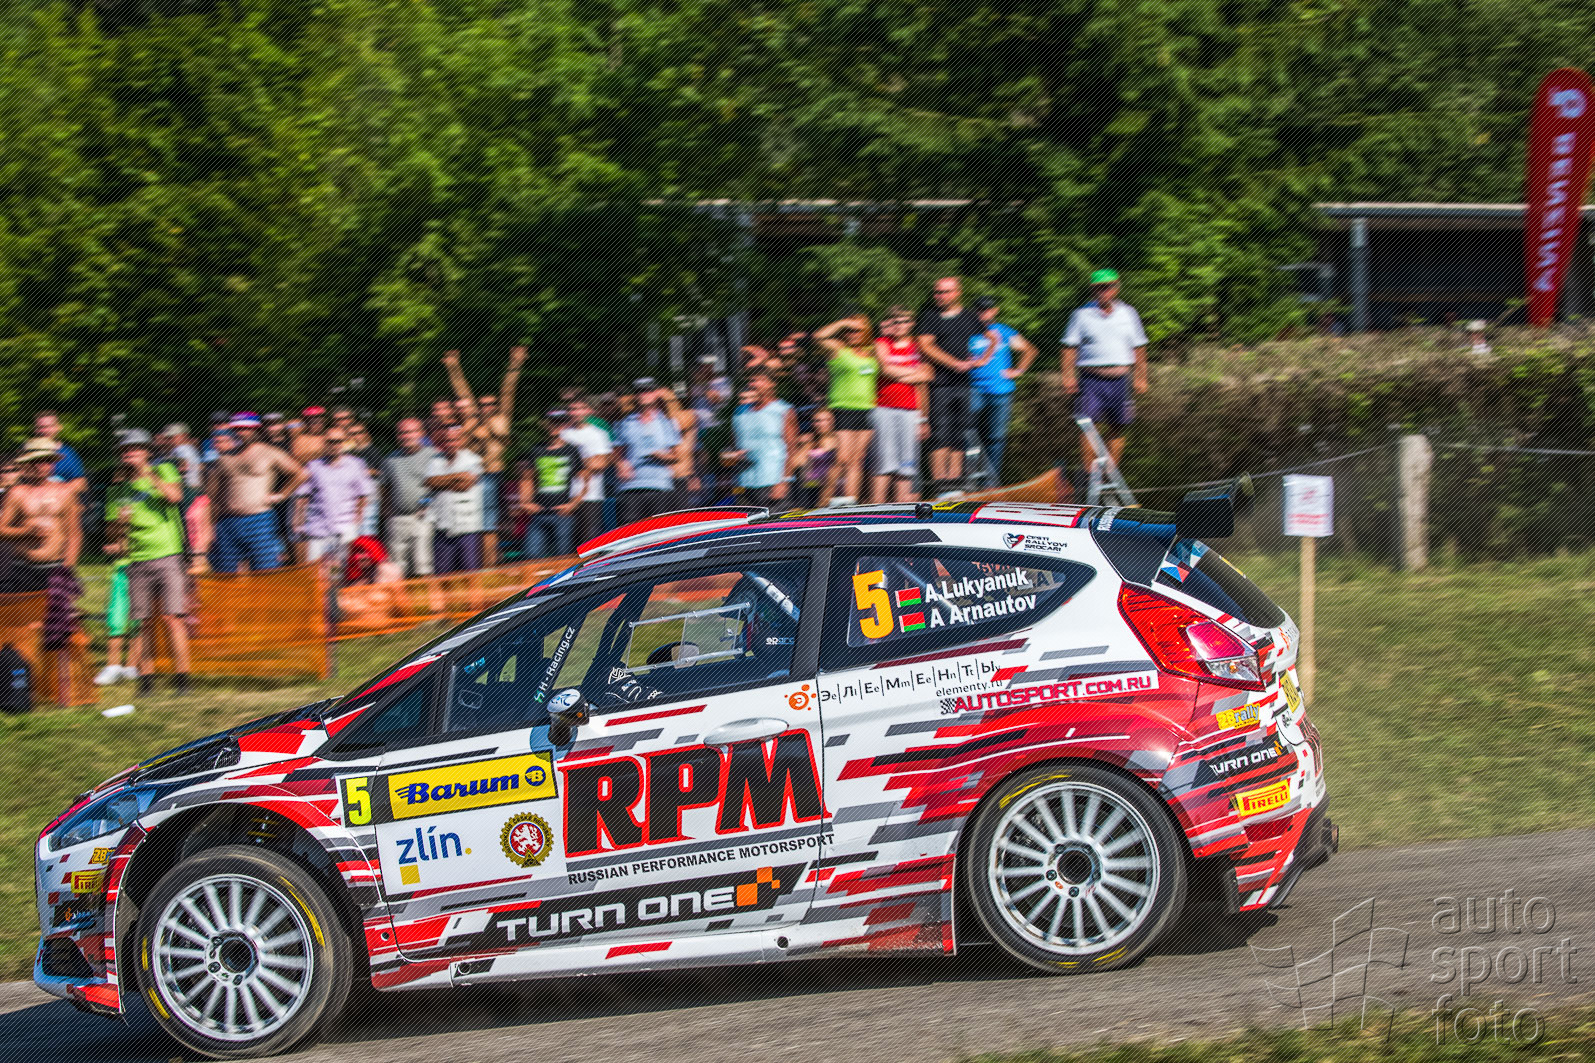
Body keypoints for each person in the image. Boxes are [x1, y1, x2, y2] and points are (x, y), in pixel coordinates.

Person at [104, 429, 192, 696]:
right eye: (125, 450)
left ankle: (182, 680)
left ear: (146, 451)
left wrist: (149, 474)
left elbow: (175, 497)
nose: (130, 453)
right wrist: (120, 522)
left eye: (135, 448)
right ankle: (146, 681)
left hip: (168, 555)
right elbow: (111, 536)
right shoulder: (116, 490)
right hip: (137, 560)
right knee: (143, 622)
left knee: (173, 618)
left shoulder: (164, 470)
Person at [0, 438, 83, 666]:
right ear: (28, 464)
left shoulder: (65, 492)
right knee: (21, 628)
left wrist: (66, 569)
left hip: (54, 569)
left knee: (58, 629)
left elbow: (75, 534)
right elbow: (1, 530)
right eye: (37, 461)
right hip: (22, 570)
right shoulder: (17, 493)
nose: (42, 465)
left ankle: (55, 679)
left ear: (53, 463)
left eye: (47, 460)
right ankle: (21, 676)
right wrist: (25, 532)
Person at [444, 345, 527, 566]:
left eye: (491, 404)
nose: (486, 407)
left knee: (490, 526)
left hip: (495, 475)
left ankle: (489, 567)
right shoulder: (473, 422)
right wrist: (453, 367)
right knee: (476, 526)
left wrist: (516, 363)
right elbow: (463, 393)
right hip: (476, 478)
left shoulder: (501, 420)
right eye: (483, 404)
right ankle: (476, 565)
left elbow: (508, 390)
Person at [915, 277, 998, 497]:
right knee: (940, 434)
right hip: (939, 384)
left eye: (946, 292)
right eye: (937, 292)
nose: (940, 296)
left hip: (963, 384)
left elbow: (993, 337)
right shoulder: (929, 316)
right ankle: (940, 486)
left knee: (959, 435)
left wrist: (983, 359)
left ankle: (954, 486)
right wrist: (954, 363)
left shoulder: (970, 316)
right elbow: (925, 346)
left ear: (957, 292)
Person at [1061, 268, 1148, 474]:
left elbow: (1139, 347)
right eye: (1099, 288)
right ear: (1093, 290)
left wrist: (1141, 377)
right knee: (1087, 426)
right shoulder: (1081, 315)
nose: (1104, 291)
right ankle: (1089, 475)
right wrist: (1067, 376)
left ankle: (1109, 474)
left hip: (1121, 381)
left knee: (1118, 426)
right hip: (1091, 380)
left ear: (1116, 288)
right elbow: (1069, 347)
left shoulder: (1129, 313)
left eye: (1108, 287)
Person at [205, 412, 306, 573]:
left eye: (245, 428)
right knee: (225, 574)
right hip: (227, 523)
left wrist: (281, 495)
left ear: (256, 429)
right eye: (237, 428)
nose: (240, 432)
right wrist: (210, 528)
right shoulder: (224, 458)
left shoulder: (268, 452)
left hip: (259, 520)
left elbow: (300, 473)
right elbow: (213, 497)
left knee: (265, 573)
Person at [967, 295, 1038, 484]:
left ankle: (991, 484)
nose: (984, 313)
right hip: (973, 388)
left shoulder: (1004, 331)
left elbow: (1030, 350)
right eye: (980, 309)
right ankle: (968, 482)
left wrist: (1018, 370)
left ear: (994, 311)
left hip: (1001, 390)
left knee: (996, 438)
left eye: (987, 309)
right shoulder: (968, 332)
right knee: (968, 435)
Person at [811, 315, 878, 505]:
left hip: (866, 409)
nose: (853, 334)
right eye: (849, 331)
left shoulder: (872, 352)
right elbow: (818, 336)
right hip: (843, 409)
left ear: (866, 331)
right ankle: (823, 502)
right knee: (842, 458)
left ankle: (850, 502)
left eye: (857, 330)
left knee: (857, 459)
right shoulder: (838, 349)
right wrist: (843, 322)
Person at [871, 305, 930, 503]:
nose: (900, 325)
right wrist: (915, 374)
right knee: (883, 464)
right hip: (884, 408)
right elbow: (885, 370)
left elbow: (926, 379)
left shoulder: (917, 345)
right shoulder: (882, 342)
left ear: (912, 323)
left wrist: (923, 419)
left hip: (911, 410)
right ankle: (876, 510)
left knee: (906, 465)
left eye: (905, 321)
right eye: (896, 322)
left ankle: (901, 509)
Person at [293, 427, 373, 572]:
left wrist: (358, 520)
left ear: (344, 442)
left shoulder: (356, 464)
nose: (335, 445)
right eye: (331, 441)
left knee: (343, 574)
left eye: (338, 441)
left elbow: (363, 494)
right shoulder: (313, 466)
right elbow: (302, 496)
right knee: (317, 575)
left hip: (345, 531)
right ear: (325, 443)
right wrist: (298, 521)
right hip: (318, 530)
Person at [613, 377, 684, 525]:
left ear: (656, 393)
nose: (644, 394)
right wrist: (620, 464)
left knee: (659, 531)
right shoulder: (625, 422)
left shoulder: (667, 422)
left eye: (648, 390)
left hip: (659, 486)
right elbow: (616, 452)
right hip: (630, 487)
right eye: (640, 391)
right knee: (630, 532)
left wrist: (661, 456)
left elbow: (677, 456)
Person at [518, 411, 583, 559]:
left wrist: (574, 504)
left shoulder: (572, 450)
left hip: (563, 514)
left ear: (565, 425)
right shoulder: (536, 449)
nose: (555, 426)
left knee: (563, 558)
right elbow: (527, 478)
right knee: (531, 556)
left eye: (560, 422)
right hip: (539, 513)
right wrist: (525, 502)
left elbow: (583, 479)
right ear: (545, 424)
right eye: (552, 422)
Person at [728, 372, 798, 508]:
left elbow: (792, 448)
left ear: (772, 384)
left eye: (759, 380)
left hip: (773, 483)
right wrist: (732, 456)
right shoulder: (739, 412)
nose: (753, 384)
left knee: (776, 522)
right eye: (751, 381)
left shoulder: (783, 410)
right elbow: (732, 446)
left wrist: (784, 481)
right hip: (744, 485)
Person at [424, 423, 486, 574]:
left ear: (461, 440)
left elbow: (466, 484)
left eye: (454, 440)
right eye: (447, 441)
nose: (451, 444)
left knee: (471, 575)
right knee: (442, 577)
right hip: (442, 528)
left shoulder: (473, 459)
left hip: (467, 529)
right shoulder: (434, 461)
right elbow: (430, 482)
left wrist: (442, 481)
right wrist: (458, 476)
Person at [380, 417, 436, 578]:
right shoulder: (390, 460)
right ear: (398, 436)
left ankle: (427, 594)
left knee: (423, 565)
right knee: (396, 569)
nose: (407, 436)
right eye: (403, 433)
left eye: (411, 432)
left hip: (422, 517)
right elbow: (384, 489)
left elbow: (439, 485)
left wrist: (430, 506)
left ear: (421, 433)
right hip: (397, 520)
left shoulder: (433, 455)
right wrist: (388, 516)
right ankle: (400, 596)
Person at [557, 398, 613, 547]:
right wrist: (587, 461)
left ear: (589, 411)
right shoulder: (562, 433)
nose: (575, 412)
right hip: (565, 496)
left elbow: (601, 463)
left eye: (580, 408)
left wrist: (575, 460)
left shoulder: (598, 434)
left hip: (590, 496)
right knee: (567, 545)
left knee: (590, 544)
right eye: (572, 409)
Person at [30, 412, 86, 496]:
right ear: (35, 429)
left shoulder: (68, 453)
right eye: (41, 427)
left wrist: (54, 489)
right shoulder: (26, 452)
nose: (45, 430)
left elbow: (81, 485)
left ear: (58, 427)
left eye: (49, 426)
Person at [795, 407, 839, 509]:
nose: (822, 424)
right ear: (812, 423)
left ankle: (822, 504)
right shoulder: (808, 440)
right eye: (818, 421)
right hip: (811, 485)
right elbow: (797, 463)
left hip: (835, 484)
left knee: (832, 473)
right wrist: (804, 445)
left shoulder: (840, 440)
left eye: (827, 420)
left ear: (833, 421)